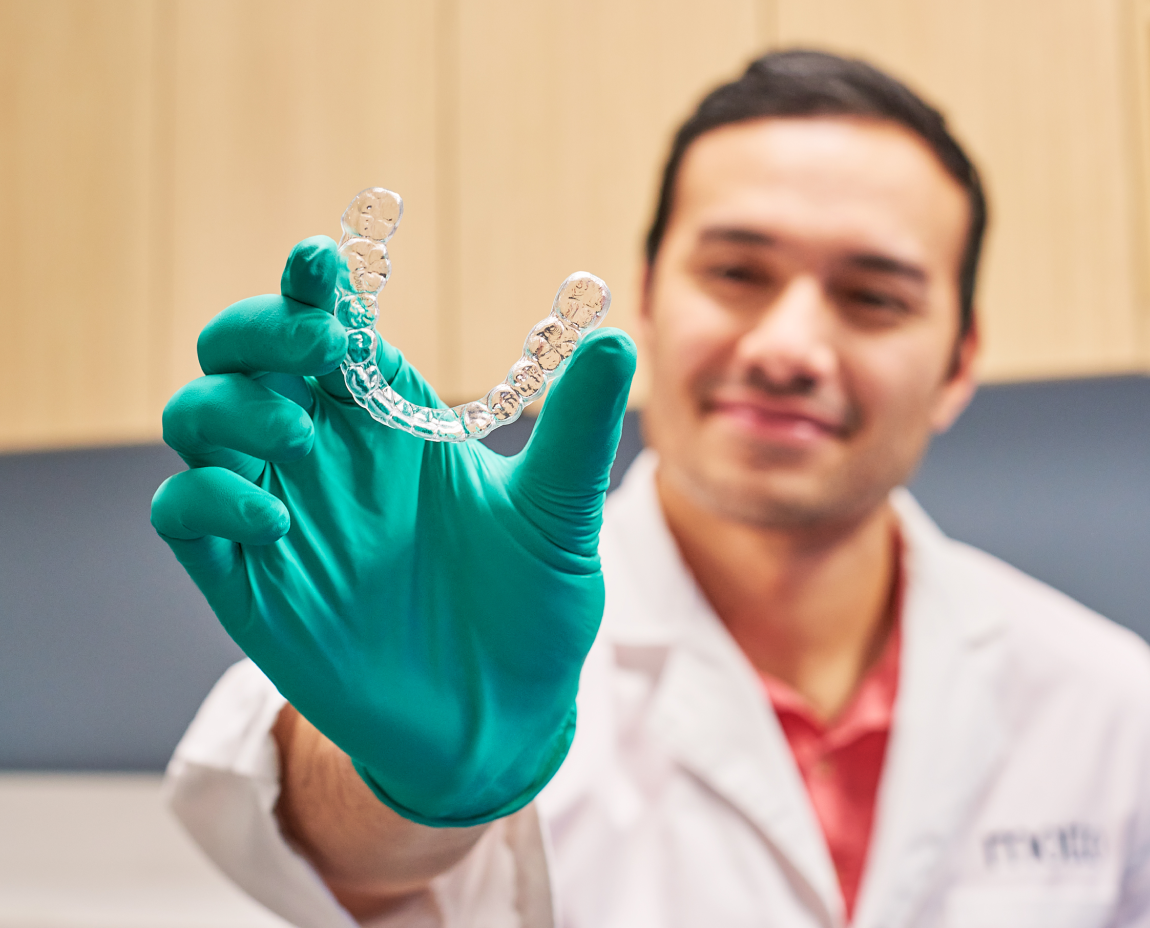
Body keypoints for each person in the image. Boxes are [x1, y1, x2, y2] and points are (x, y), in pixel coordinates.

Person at [153, 50, 1150, 927]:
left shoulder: (1114, 708)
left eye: (873, 297)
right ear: (651, 293)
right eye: (736, 272)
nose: (788, 346)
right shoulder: (475, 608)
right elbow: (332, 854)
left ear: (961, 360)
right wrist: (424, 781)